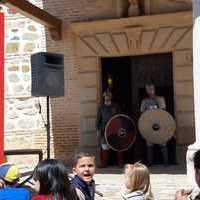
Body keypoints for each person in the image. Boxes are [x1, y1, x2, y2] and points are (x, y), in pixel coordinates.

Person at [140, 83, 168, 166]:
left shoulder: (160, 99)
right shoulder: (144, 101)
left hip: (160, 124)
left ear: (154, 90)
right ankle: (150, 163)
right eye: (148, 90)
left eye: (152, 89)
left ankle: (166, 162)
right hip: (149, 124)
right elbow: (142, 113)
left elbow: (163, 112)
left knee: (163, 143)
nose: (150, 91)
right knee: (149, 144)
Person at [96, 91, 123, 167]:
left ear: (111, 97)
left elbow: (119, 117)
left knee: (117, 146)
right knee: (104, 146)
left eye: (109, 96)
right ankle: (104, 164)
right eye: (106, 96)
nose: (107, 97)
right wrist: (98, 130)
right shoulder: (101, 107)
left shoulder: (116, 106)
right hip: (104, 129)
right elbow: (98, 120)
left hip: (115, 129)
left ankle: (120, 163)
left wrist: (120, 128)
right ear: (104, 97)